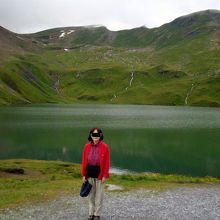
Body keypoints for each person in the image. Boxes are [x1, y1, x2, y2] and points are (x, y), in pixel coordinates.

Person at [81, 127, 110, 220]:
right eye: (94, 135)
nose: (95, 137)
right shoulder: (86, 147)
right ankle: (91, 213)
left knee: (99, 196)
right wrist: (84, 175)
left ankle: (97, 214)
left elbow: (107, 162)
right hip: (89, 175)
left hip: (100, 176)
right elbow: (84, 161)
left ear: (100, 135)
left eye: (97, 135)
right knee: (91, 196)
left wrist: (105, 175)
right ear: (91, 135)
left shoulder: (105, 147)